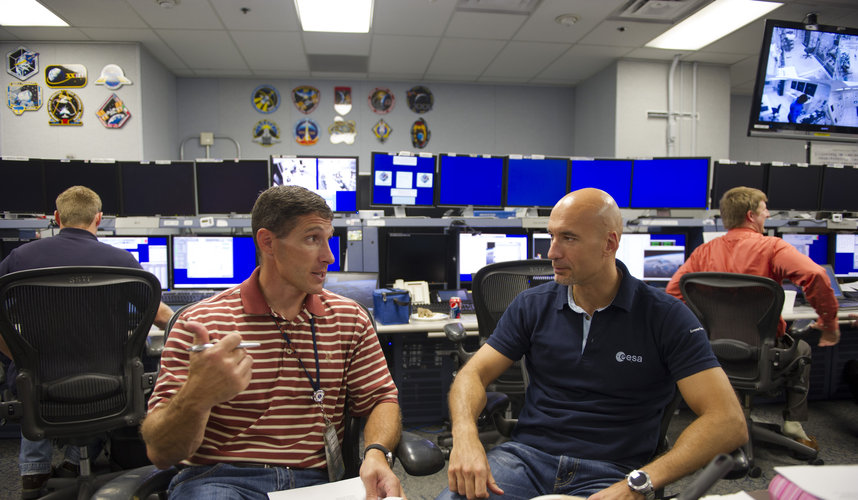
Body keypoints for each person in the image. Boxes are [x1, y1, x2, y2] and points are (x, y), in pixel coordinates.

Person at [439, 188, 747, 500]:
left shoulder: (665, 317)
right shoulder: (532, 305)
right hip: (525, 460)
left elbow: (727, 421)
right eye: (552, 236)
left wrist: (640, 483)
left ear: (609, 243)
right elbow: (472, 375)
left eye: (568, 238)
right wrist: (465, 436)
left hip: (614, 472)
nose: (552, 252)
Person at [140, 185, 404, 500]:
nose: (329, 257)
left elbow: (380, 399)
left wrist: (376, 453)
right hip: (221, 479)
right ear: (268, 243)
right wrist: (197, 396)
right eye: (312, 239)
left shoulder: (350, 319)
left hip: (317, 483)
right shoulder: (201, 324)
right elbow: (160, 452)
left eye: (328, 239)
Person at [0, 185, 173, 499]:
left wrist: (20, 358)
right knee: (119, 378)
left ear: (56, 217)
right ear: (99, 218)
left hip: (40, 388)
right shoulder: (121, 260)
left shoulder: (19, 258)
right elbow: (164, 318)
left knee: (33, 377)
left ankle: (33, 476)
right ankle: (73, 465)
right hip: (113, 388)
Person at [666, 186, 840, 451]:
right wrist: (829, 322)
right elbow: (815, 276)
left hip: (713, 354)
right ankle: (793, 423)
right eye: (764, 209)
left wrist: (701, 327)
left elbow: (673, 293)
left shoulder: (704, 251)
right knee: (802, 347)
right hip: (763, 355)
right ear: (751, 215)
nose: (768, 214)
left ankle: (729, 420)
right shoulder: (772, 247)